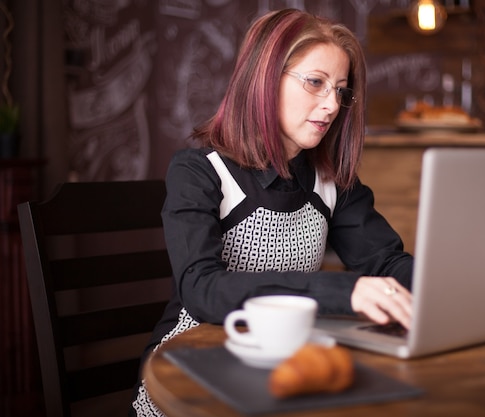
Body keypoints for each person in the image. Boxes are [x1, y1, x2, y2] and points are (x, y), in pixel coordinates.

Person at [131, 8, 413, 416]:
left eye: (340, 90)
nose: (332, 105)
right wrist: (344, 291)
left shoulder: (330, 182)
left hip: (282, 369)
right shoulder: (198, 172)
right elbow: (203, 289)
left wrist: (445, 288)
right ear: (264, 80)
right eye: (315, 83)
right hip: (190, 371)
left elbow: (385, 261)